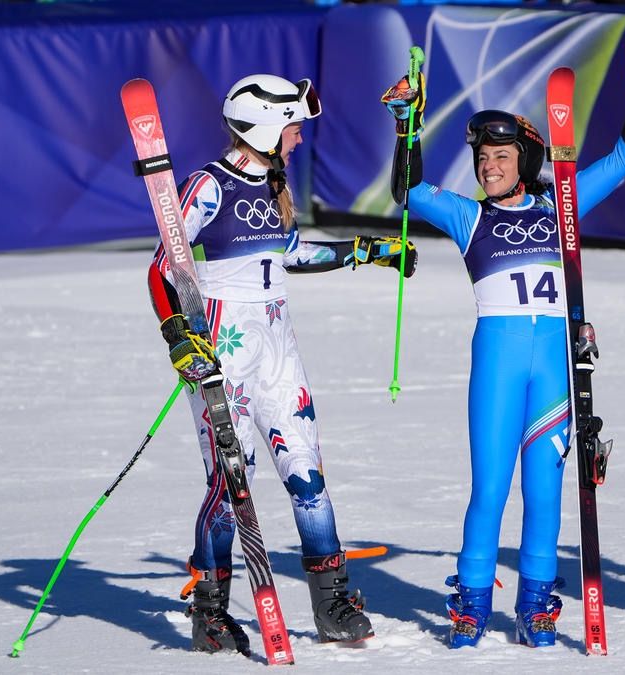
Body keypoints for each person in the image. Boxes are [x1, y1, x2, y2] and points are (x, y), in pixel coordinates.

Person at [379, 38, 625, 648]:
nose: (488, 167)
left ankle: (535, 606)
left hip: (553, 370)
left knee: (544, 493)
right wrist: (407, 127)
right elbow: (410, 192)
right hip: (498, 366)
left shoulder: (562, 204)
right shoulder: (470, 217)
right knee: (489, 490)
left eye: (500, 156)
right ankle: (472, 603)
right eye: (482, 157)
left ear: (525, 158)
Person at [147, 73, 417, 655]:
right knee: (230, 483)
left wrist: (367, 251)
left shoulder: (273, 185)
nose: (299, 137)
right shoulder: (208, 186)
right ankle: (211, 611)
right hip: (223, 350)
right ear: (266, 126)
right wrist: (179, 338)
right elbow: (162, 268)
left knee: (307, 474)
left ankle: (333, 603)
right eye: (293, 126)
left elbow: (292, 254)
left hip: (278, 347)